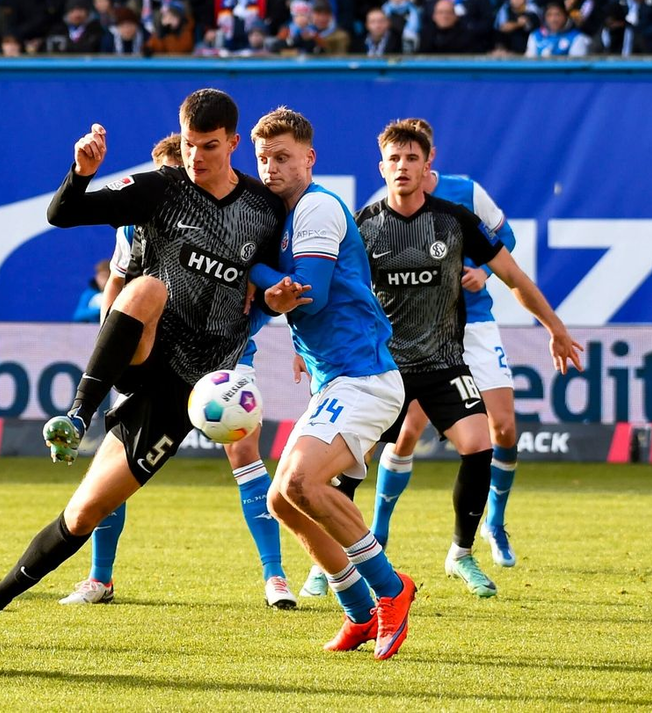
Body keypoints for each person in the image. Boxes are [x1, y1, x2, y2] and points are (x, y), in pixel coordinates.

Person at [0, 90, 295, 649]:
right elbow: (62, 214)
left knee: (82, 514)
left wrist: (279, 304)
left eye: (209, 146)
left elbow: (271, 283)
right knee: (147, 287)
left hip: (192, 389)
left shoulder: (265, 209)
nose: (198, 157)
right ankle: (77, 416)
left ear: (233, 143)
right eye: (188, 144)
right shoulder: (160, 188)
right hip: (146, 352)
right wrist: (80, 173)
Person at [61, 133, 297, 611]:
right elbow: (121, 286)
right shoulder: (136, 224)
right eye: (175, 168)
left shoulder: (241, 214)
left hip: (225, 351)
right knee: (113, 461)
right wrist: (112, 349)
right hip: (154, 353)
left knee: (244, 448)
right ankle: (99, 577)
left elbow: (262, 284)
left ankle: (275, 576)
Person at [354, 121, 583, 597]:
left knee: (484, 440)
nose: (403, 167)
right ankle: (344, 554)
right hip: (386, 362)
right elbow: (338, 293)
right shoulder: (364, 225)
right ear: (382, 167)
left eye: (412, 158)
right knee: (358, 452)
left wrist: (555, 327)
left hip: (446, 353)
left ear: (428, 161)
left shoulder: (457, 212)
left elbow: (514, 272)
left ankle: (463, 550)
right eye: (394, 159)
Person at [244, 108, 417, 658]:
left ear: (310, 158)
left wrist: (253, 269)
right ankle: (360, 612)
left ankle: (393, 590)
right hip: (335, 381)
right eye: (264, 158)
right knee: (281, 500)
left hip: (363, 377)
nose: (271, 168)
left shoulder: (316, 207)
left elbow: (309, 290)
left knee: (301, 485)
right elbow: (280, 298)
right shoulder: (286, 216)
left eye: (284, 157)